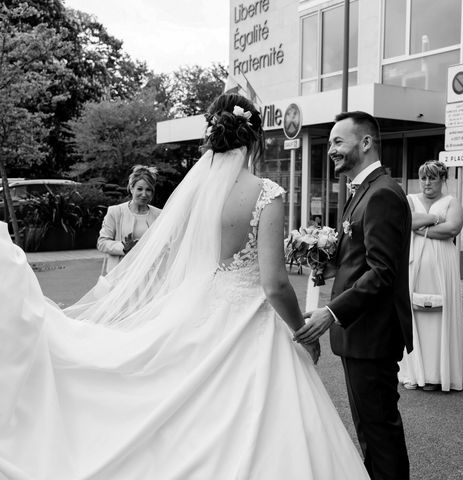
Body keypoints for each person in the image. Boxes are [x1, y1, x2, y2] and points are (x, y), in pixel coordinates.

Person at [0, 93, 371, 480]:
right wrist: (302, 332)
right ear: (255, 140)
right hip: (251, 317)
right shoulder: (266, 193)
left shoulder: (196, 194)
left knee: (193, 412)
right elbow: (275, 283)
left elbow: (180, 256)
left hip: (205, 307)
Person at [295, 111, 413, 480]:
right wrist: (330, 263)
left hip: (372, 334)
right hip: (360, 333)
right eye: (330, 142)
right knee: (369, 430)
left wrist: (330, 313)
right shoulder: (362, 190)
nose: (330, 149)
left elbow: (382, 272)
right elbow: (363, 258)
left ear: (365, 143)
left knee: (379, 431)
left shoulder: (382, 194)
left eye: (337, 142)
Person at [398, 160, 463, 392]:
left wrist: (420, 227)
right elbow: (405, 222)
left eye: (432, 178)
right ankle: (416, 374)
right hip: (413, 266)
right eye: (423, 178)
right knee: (414, 317)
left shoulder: (451, 202)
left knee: (439, 316)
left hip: (442, 268)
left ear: (442, 179)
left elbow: (453, 228)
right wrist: (436, 219)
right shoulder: (409, 200)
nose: (427, 182)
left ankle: (438, 375)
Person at [97, 165, 162, 274]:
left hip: (150, 274)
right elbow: (102, 243)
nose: (144, 194)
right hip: (121, 275)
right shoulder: (115, 212)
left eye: (149, 190)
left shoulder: (159, 214)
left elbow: (165, 245)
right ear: (131, 188)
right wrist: (123, 247)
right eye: (140, 189)